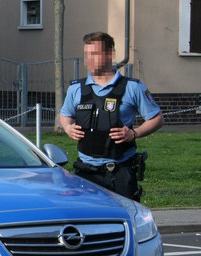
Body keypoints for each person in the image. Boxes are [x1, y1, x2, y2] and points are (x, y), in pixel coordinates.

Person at [59, 32, 163, 201]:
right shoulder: (76, 88)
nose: (89, 60)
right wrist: (68, 127)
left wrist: (134, 133)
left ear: (109, 54)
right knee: (89, 223)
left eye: (94, 54)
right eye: (86, 55)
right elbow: (65, 115)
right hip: (86, 173)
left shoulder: (132, 87)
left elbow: (157, 118)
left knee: (124, 219)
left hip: (120, 172)